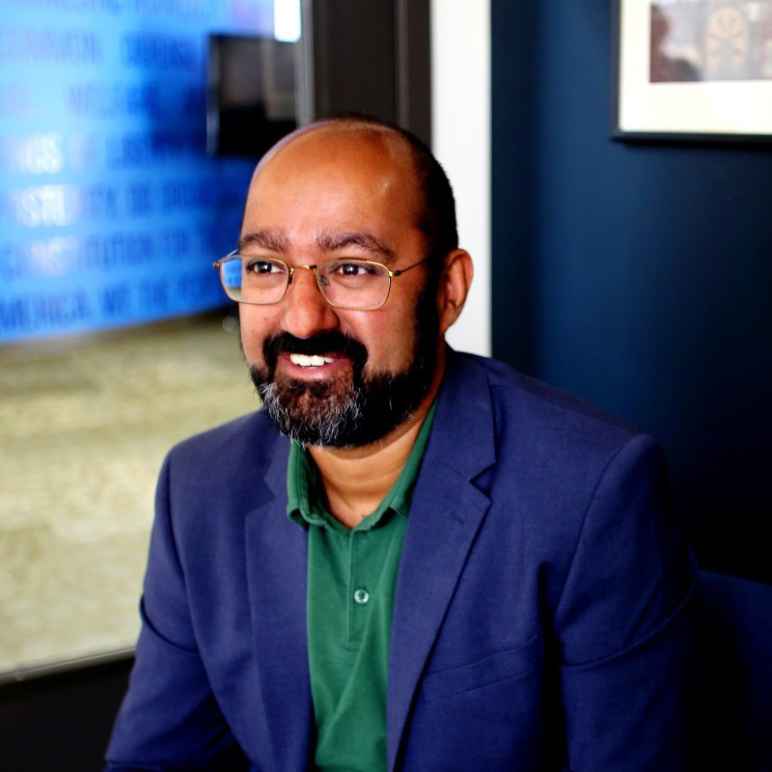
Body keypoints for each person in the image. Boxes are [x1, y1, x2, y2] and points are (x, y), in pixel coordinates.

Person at [106, 117, 695, 771]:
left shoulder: (589, 494)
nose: (303, 318)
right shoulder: (200, 485)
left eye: (353, 269)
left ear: (448, 290)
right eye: (267, 266)